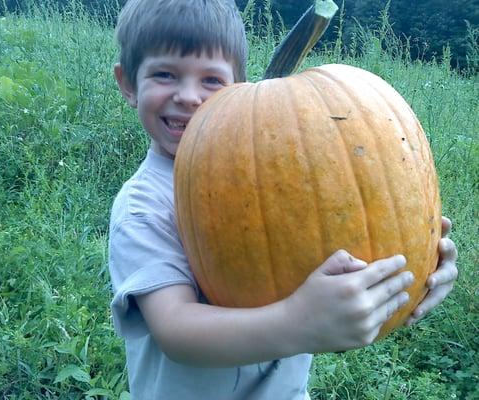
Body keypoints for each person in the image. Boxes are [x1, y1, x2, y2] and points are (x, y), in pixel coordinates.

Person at [108, 1, 459, 399]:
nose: (188, 96)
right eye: (165, 74)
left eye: (211, 80)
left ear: (237, 87)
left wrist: (413, 270)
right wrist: (298, 321)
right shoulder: (142, 206)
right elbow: (175, 330)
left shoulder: (266, 171)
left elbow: (347, 237)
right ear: (128, 84)